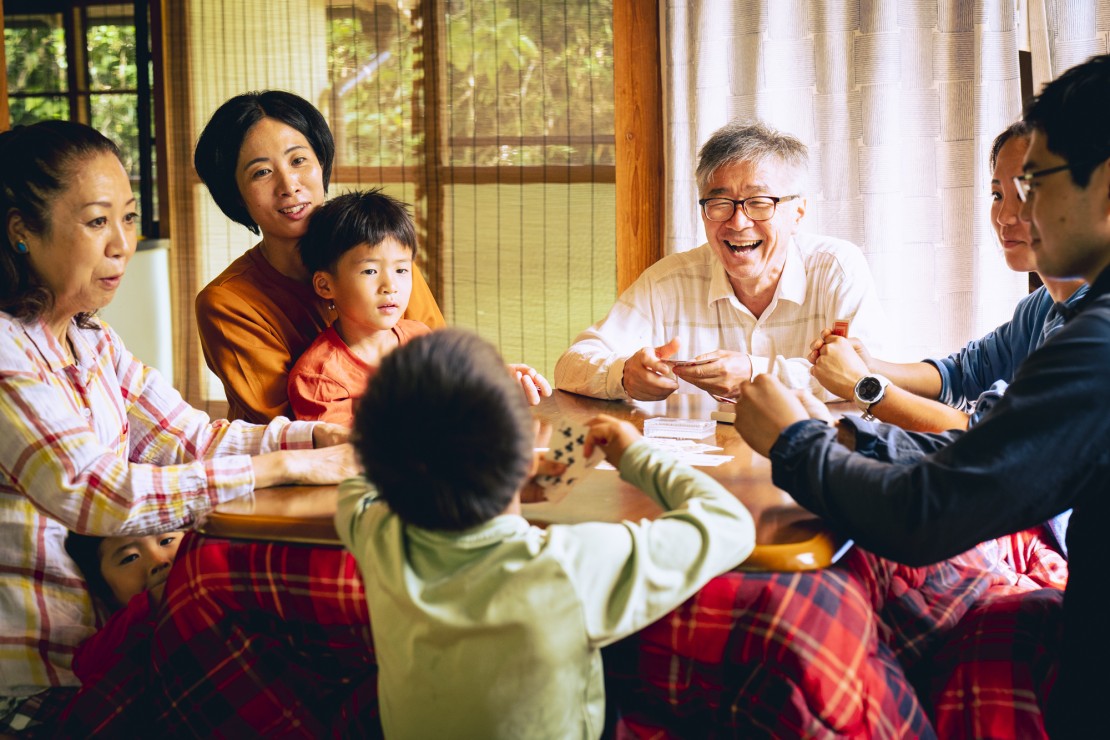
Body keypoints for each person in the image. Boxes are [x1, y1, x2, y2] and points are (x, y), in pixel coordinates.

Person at [733, 53, 1110, 738]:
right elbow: (958, 371)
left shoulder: (1097, 341)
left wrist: (799, 437)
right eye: (1003, 191)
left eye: (1035, 182)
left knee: (806, 606)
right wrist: (862, 376)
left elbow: (929, 509)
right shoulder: (1057, 317)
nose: (1017, 211)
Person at [0, 120, 357, 733]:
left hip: (121, 645)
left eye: (130, 217)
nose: (121, 245)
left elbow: (191, 436)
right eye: (96, 221)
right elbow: (96, 492)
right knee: (223, 592)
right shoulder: (7, 349)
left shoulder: (91, 341)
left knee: (320, 651)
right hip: (42, 684)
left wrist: (318, 439)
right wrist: (287, 463)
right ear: (21, 232)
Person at [335, 328, 755, 738]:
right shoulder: (569, 567)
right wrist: (636, 456)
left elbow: (360, 480)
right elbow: (730, 524)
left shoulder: (378, 535)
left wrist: (504, 479)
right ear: (523, 457)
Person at [808, 120, 1083, 569]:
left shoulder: (1088, 328)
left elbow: (981, 435)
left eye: (1027, 194)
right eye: (998, 195)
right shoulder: (1042, 305)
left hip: (1054, 532)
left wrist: (866, 389)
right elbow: (961, 372)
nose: (1006, 216)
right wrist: (873, 365)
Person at [554, 120, 889, 403]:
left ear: (797, 212)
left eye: (759, 202)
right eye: (720, 203)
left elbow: (865, 378)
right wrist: (624, 375)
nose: (738, 222)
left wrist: (756, 373)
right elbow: (570, 366)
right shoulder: (667, 282)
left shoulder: (837, 269)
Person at [194, 90, 446, 424]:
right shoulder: (227, 303)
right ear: (236, 195)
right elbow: (292, 428)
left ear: (321, 163)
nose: (289, 185)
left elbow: (443, 370)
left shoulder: (383, 259)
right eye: (261, 173)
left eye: (299, 161)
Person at [288, 189, 551, 426]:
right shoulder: (319, 378)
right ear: (325, 285)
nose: (390, 285)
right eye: (370, 270)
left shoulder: (420, 338)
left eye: (402, 269)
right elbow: (341, 455)